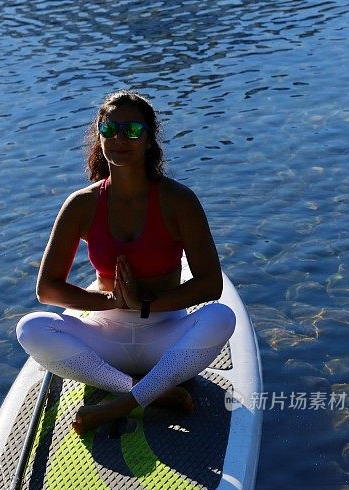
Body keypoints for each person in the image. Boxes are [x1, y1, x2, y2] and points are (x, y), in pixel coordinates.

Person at [16, 90, 236, 435]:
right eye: (109, 129)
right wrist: (109, 302)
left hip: (166, 339)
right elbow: (48, 290)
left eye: (132, 131)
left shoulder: (178, 201)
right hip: (106, 341)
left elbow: (211, 284)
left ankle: (123, 402)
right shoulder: (82, 204)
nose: (119, 139)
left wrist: (147, 305)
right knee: (30, 327)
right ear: (99, 134)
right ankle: (147, 390)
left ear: (149, 139)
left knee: (222, 316)